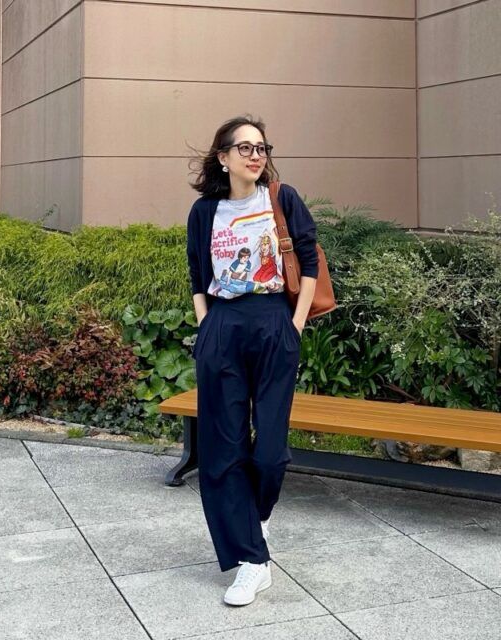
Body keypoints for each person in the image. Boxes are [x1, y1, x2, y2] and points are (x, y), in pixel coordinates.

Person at [186, 114, 318, 605]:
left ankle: (254, 519)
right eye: (244, 148)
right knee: (223, 447)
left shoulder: (282, 199)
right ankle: (251, 561)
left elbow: (309, 262)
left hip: (273, 322)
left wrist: (295, 324)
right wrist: (207, 325)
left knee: (270, 452)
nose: (255, 155)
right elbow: (198, 273)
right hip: (222, 324)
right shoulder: (205, 211)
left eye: (261, 147)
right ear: (223, 157)